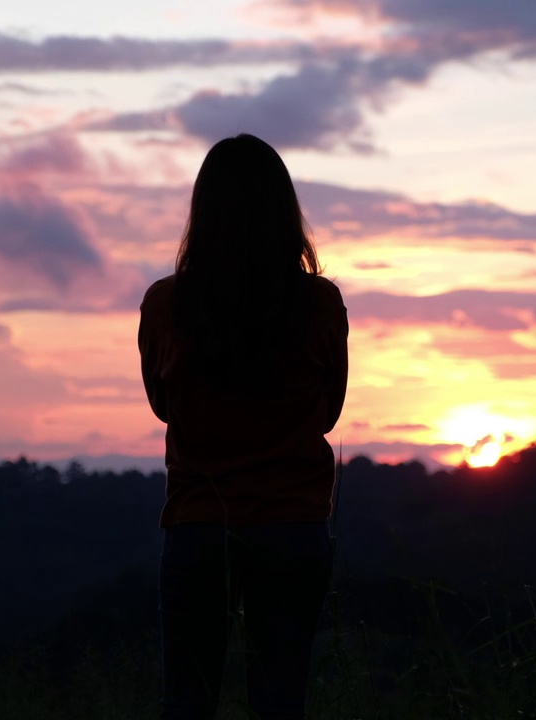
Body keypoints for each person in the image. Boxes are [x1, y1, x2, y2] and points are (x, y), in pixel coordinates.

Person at [138, 134, 349, 720]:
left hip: (199, 525)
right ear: (285, 212)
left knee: (186, 702)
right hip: (293, 525)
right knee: (280, 704)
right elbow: (328, 412)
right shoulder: (320, 305)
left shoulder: (164, 305)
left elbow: (162, 405)